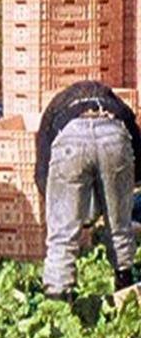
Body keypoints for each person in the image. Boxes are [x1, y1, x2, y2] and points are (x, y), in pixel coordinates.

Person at [35, 81, 141, 301]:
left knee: (62, 236)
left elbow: (43, 172)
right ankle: (125, 294)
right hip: (115, 137)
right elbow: (137, 153)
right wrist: (120, 193)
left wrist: (64, 207)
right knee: (120, 228)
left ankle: (57, 303)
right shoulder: (116, 105)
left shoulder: (55, 109)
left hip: (70, 141)